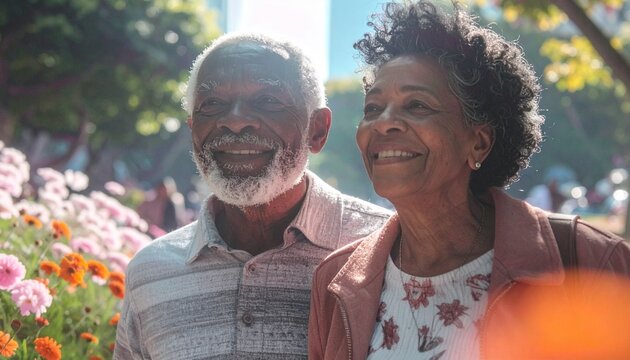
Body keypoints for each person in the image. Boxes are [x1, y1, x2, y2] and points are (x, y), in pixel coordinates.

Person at [308, 2, 630, 360]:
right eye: (372, 108)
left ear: (478, 142)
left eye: (417, 105)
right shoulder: (336, 280)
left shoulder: (590, 262)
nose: (384, 123)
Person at [113, 33, 390, 359]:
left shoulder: (389, 249)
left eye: (268, 101)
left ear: (317, 130)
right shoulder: (151, 271)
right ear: (193, 130)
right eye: (212, 104)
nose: (234, 121)